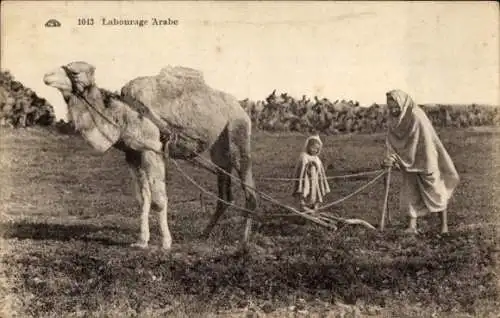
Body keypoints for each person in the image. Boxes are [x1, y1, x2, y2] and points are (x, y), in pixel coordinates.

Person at [383, 89, 460, 234]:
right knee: (410, 191)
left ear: (402, 103)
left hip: (425, 158)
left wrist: (406, 157)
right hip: (407, 161)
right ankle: (412, 226)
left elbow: (423, 141)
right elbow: (391, 140)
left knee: (435, 190)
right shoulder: (393, 119)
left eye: (395, 106)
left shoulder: (416, 116)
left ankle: (444, 226)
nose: (393, 110)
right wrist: (391, 156)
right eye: (390, 106)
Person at [293, 135, 331, 212]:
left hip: (315, 180)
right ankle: (302, 204)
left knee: (316, 192)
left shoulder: (317, 159)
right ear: (308, 146)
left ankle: (315, 205)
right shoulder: (304, 156)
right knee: (304, 190)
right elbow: (301, 170)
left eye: (317, 149)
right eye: (313, 148)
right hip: (306, 179)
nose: (314, 150)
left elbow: (321, 171)